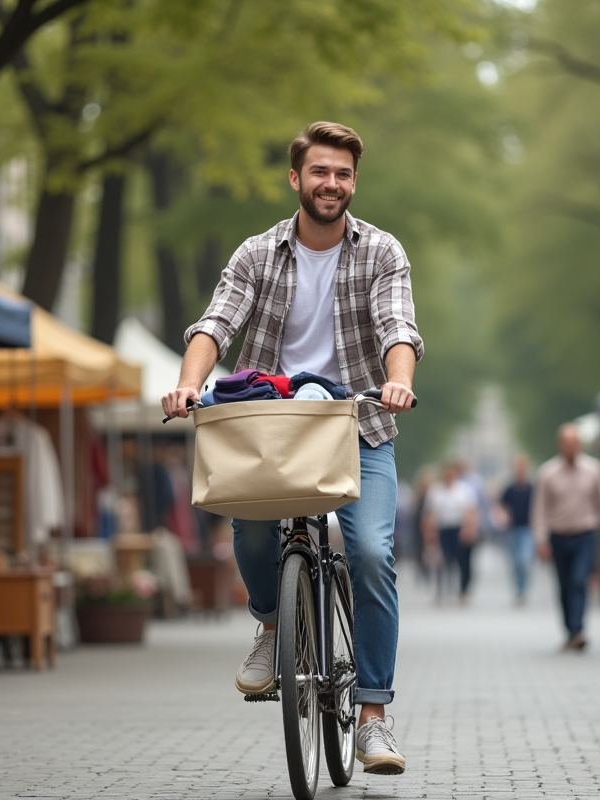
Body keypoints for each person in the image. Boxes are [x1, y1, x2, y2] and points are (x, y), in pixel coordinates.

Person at [162, 121, 421, 776]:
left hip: (355, 422)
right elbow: (216, 322)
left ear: (354, 182)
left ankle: (372, 718)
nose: (331, 184)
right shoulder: (257, 253)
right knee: (248, 529)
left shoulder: (381, 251)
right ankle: (273, 625)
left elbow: (399, 327)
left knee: (368, 553)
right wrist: (189, 385)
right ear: (295, 179)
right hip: (270, 424)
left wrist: (397, 381)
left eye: (342, 174)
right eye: (320, 172)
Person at [532, 424, 600, 651]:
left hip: (584, 534)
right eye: (567, 443)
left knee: (579, 581)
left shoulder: (594, 470)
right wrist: (541, 540)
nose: (571, 448)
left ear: (580, 445)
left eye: (574, 443)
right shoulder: (547, 473)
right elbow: (539, 510)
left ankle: (578, 629)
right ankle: (570, 629)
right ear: (560, 445)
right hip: (559, 536)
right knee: (564, 586)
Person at [421, 460, 480, 604]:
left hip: (460, 528)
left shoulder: (465, 490)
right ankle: (440, 590)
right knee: (441, 560)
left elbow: (471, 511)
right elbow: (429, 513)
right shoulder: (435, 491)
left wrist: (469, 529)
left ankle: (464, 590)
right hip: (442, 529)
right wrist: (429, 533)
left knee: (463, 561)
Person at [499, 455, 535, 605]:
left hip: (528, 529)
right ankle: (518, 590)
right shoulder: (509, 489)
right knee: (514, 562)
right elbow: (502, 506)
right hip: (512, 530)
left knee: (524, 560)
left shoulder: (532, 488)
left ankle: (523, 588)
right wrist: (504, 516)